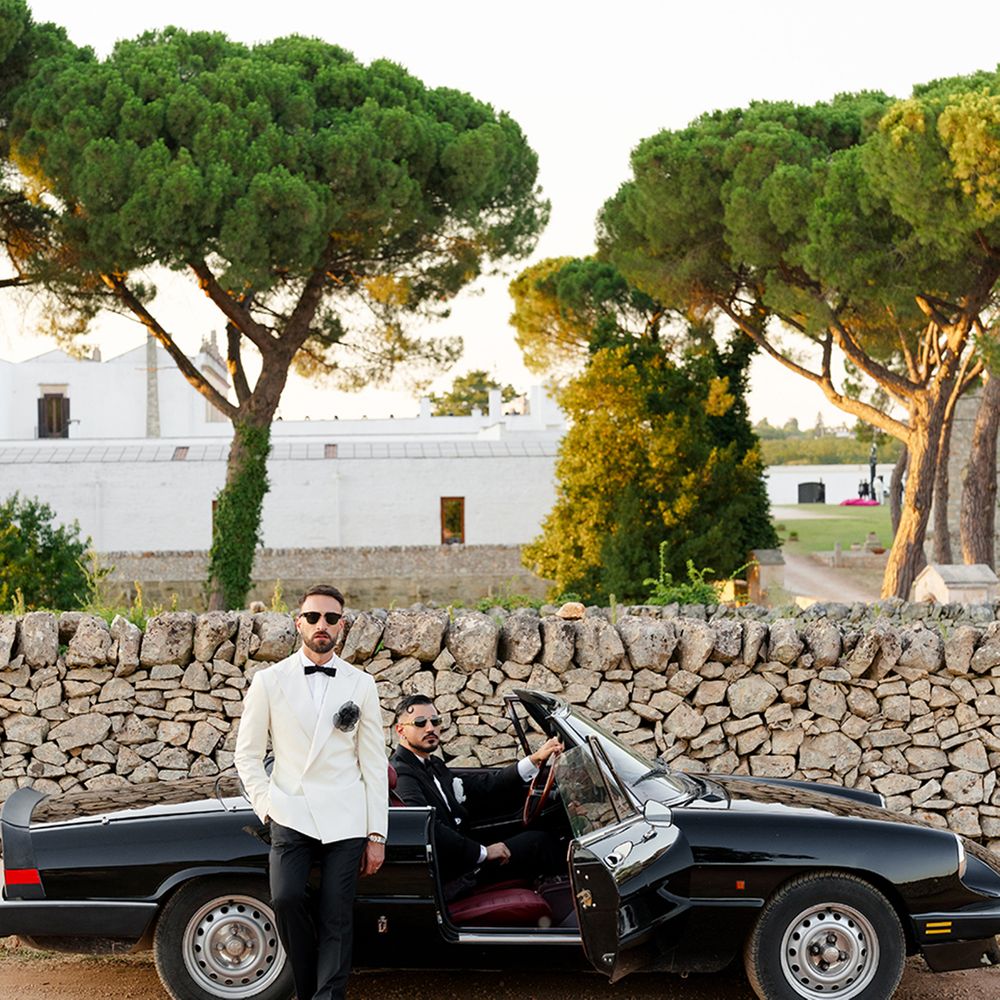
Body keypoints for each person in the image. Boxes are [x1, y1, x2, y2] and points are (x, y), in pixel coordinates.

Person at [235, 584, 388, 1000]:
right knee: (285, 899)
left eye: (332, 618)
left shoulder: (362, 684)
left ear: (342, 626)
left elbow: (373, 763)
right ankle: (307, 991)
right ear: (299, 622)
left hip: (346, 814)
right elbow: (246, 756)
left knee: (337, 916)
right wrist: (268, 807)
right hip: (290, 811)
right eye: (315, 617)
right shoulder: (269, 681)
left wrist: (377, 835)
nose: (323, 625)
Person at [389, 693, 565, 893]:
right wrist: (483, 852)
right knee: (538, 843)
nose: (430, 728)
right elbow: (425, 826)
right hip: (455, 871)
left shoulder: (433, 764)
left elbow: (483, 786)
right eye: (420, 723)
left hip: (462, 850)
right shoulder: (401, 773)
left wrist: (534, 760)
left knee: (539, 830)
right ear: (400, 730)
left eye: (435, 721)